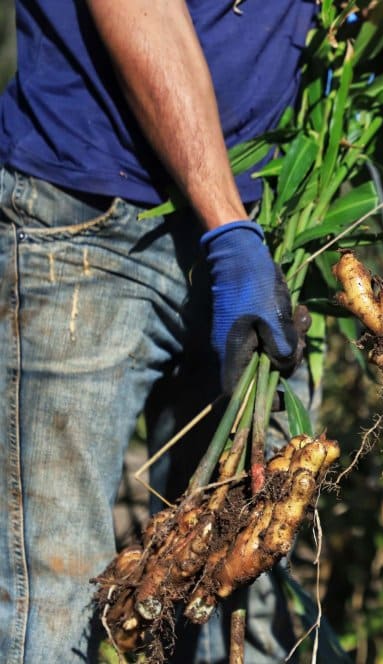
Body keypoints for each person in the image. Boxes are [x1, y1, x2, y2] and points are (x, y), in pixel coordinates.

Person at [0, 0, 317, 661]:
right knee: (54, 600)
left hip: (266, 221)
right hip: (89, 222)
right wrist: (228, 227)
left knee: (246, 583)